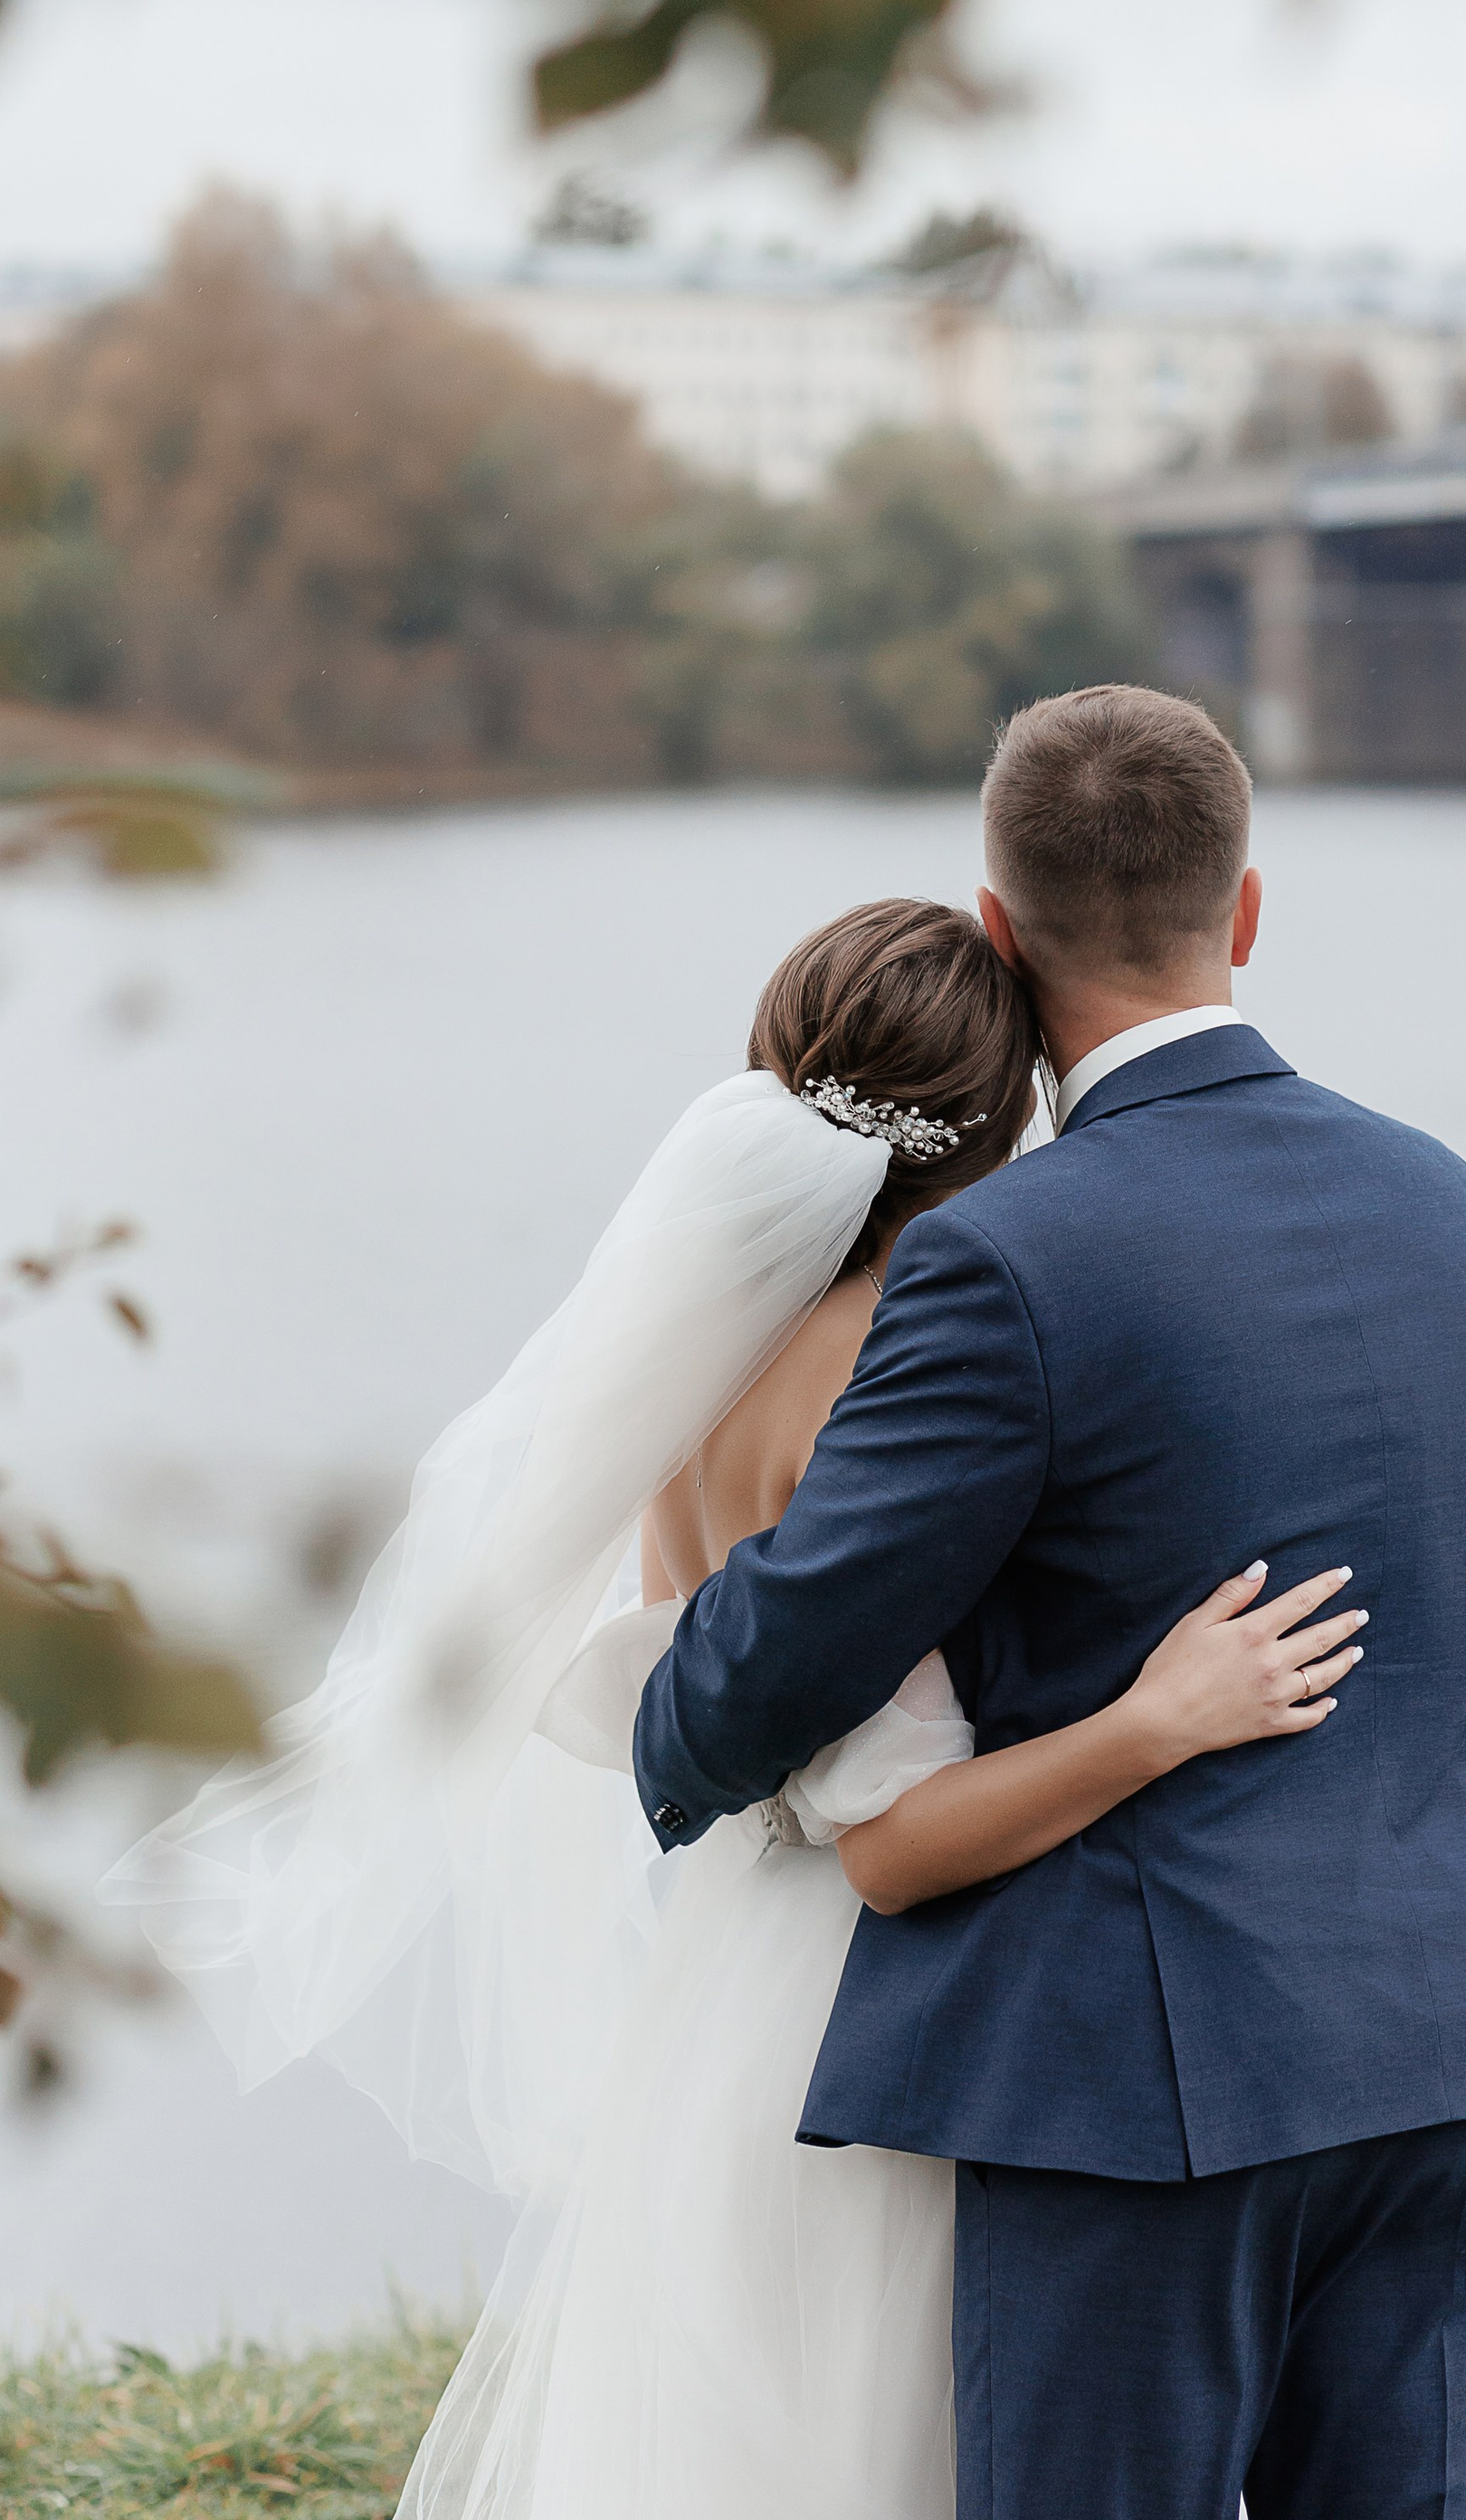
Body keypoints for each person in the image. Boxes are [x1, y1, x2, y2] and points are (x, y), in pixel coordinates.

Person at [112, 890, 1361, 2520]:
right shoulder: (901, 1369)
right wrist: (1159, 1715)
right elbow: (891, 1833)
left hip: (718, 2001)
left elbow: (698, 1678)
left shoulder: (698, 1361)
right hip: (878, 2026)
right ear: (1005, 1124)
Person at [637, 684, 1466, 2520]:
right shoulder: (1445, 1203)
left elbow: (778, 1666)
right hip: (1447, 2046)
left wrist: (667, 1705)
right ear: (1244, 912)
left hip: (1131, 2100)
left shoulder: (1004, 1261)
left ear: (998, 927)